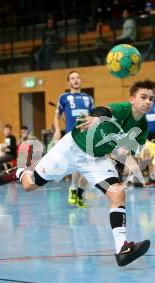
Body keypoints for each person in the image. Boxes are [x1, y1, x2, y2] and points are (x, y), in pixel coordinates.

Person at [0, 79, 155, 267]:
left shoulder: (142, 127)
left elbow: (125, 159)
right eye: (143, 97)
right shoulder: (122, 109)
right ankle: (20, 172)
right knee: (30, 185)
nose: (147, 102)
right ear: (132, 99)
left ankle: (122, 249)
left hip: (97, 159)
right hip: (71, 149)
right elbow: (105, 110)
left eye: (151, 99)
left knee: (118, 192)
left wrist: (142, 163)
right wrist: (96, 117)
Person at [54, 71, 95, 207]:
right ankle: (72, 188)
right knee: (79, 163)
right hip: (73, 136)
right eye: (73, 78)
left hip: (88, 135)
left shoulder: (88, 98)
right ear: (68, 82)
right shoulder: (64, 97)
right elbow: (57, 116)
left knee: (90, 168)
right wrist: (57, 131)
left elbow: (93, 117)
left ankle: (78, 193)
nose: (76, 80)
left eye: (78, 77)